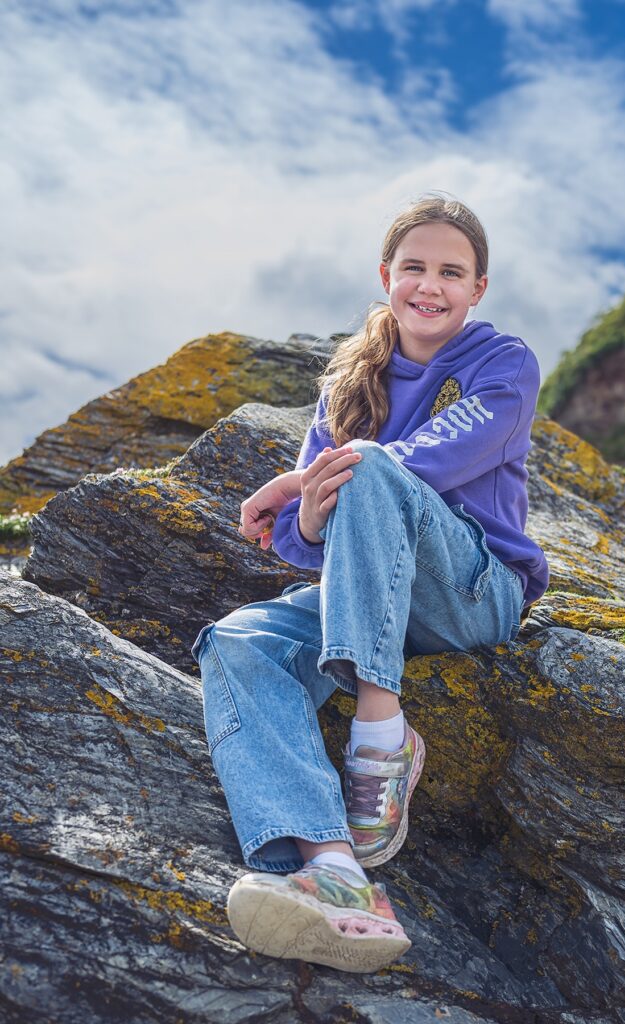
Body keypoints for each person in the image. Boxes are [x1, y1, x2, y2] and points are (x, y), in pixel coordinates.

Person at [190, 192, 550, 973]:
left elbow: (428, 463)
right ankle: (333, 871)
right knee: (237, 640)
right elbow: (298, 541)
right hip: (369, 599)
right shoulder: (349, 384)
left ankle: (380, 736)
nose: (431, 284)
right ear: (386, 274)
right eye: (414, 266)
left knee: (379, 467)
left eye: (451, 272)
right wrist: (307, 510)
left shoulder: (502, 365)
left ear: (477, 288)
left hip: (472, 595)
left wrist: (296, 485)